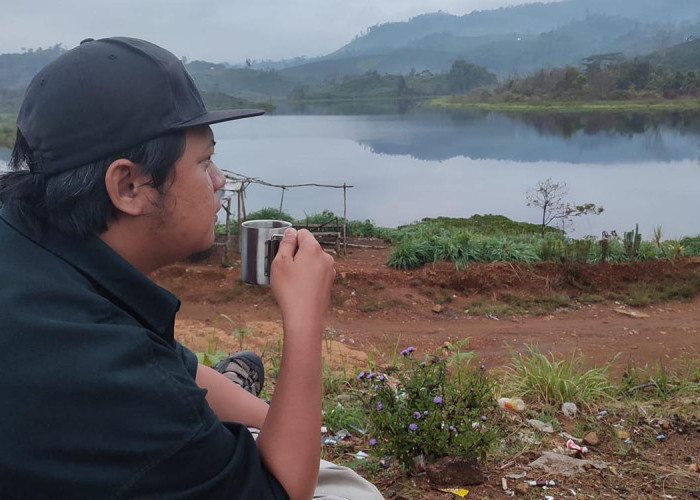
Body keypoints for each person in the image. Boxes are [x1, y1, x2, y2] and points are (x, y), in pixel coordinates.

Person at [0, 37, 382, 500]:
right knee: (349, 492)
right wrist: (304, 320)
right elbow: (282, 491)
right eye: (204, 162)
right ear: (128, 185)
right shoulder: (111, 376)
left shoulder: (28, 234)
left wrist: (269, 420)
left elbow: (158, 363)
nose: (220, 180)